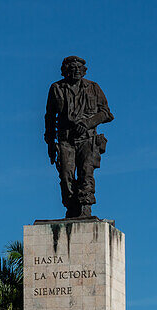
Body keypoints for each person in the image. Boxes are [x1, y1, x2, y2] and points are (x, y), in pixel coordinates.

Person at [44, 55, 114, 218]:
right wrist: (50, 141)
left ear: (84, 71)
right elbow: (49, 116)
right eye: (71, 68)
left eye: (78, 68)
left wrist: (88, 123)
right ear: (64, 71)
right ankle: (71, 206)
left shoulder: (93, 87)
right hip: (65, 139)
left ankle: (85, 207)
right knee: (65, 174)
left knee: (86, 172)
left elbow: (106, 113)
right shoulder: (56, 88)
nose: (75, 70)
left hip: (87, 138)